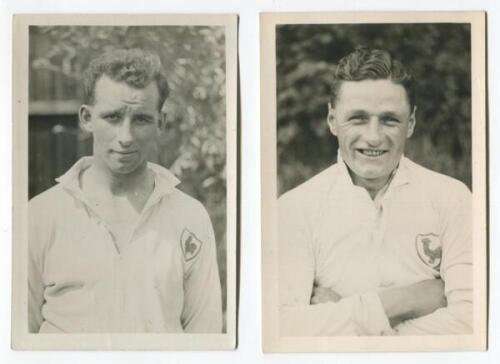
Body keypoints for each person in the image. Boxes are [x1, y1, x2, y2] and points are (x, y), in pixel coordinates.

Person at [278, 47, 472, 336]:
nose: (373, 137)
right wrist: (397, 303)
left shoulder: (452, 198)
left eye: (389, 119)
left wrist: (347, 315)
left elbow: (473, 321)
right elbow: (282, 328)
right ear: (333, 120)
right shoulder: (294, 208)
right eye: (357, 118)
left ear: (411, 123)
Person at [28, 49, 223, 333]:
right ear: (86, 117)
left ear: (161, 122)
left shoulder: (189, 216)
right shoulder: (39, 215)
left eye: (141, 119)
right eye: (113, 117)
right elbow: (17, 339)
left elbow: (205, 336)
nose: (126, 137)